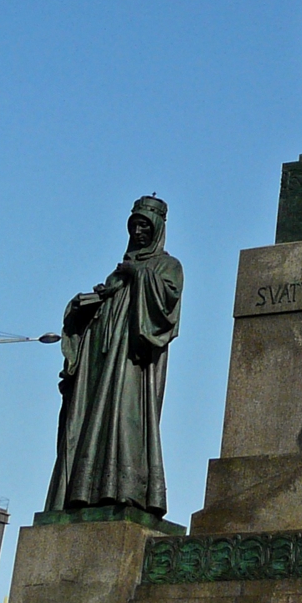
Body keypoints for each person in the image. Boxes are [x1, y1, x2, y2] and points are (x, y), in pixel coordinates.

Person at [46, 196, 183, 515]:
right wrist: (90, 305)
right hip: (101, 360)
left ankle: (123, 490)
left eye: (144, 226)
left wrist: (136, 273)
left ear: (158, 229)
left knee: (124, 421)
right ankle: (84, 491)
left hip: (131, 364)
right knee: (90, 423)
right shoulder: (116, 273)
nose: (138, 232)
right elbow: (107, 306)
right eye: (134, 225)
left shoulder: (167, 266)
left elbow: (166, 305)